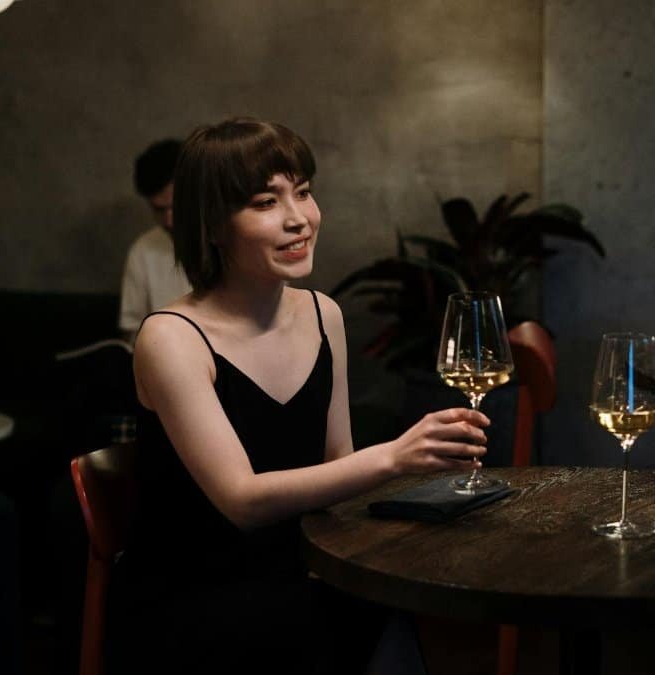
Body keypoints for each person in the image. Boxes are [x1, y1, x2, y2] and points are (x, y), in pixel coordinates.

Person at [111, 118, 491, 674]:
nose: (299, 219)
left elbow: (336, 466)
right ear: (213, 225)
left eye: (304, 192)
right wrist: (394, 456)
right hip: (197, 595)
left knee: (384, 603)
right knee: (343, 622)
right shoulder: (170, 337)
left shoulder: (322, 314)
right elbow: (241, 500)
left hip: (303, 567)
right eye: (266, 201)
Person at [118, 138, 193, 339]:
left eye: (176, 205)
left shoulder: (234, 241)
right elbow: (132, 330)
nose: (169, 220)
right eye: (159, 209)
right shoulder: (143, 250)